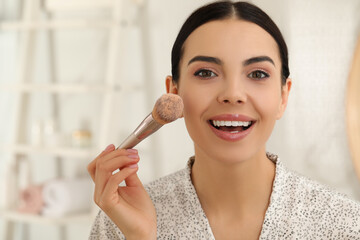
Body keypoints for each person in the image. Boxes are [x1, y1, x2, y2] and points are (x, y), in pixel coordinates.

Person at [87, 1, 360, 239]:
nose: (232, 94)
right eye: (206, 73)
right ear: (174, 93)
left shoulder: (345, 224)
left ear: (283, 96)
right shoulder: (120, 222)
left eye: (257, 74)